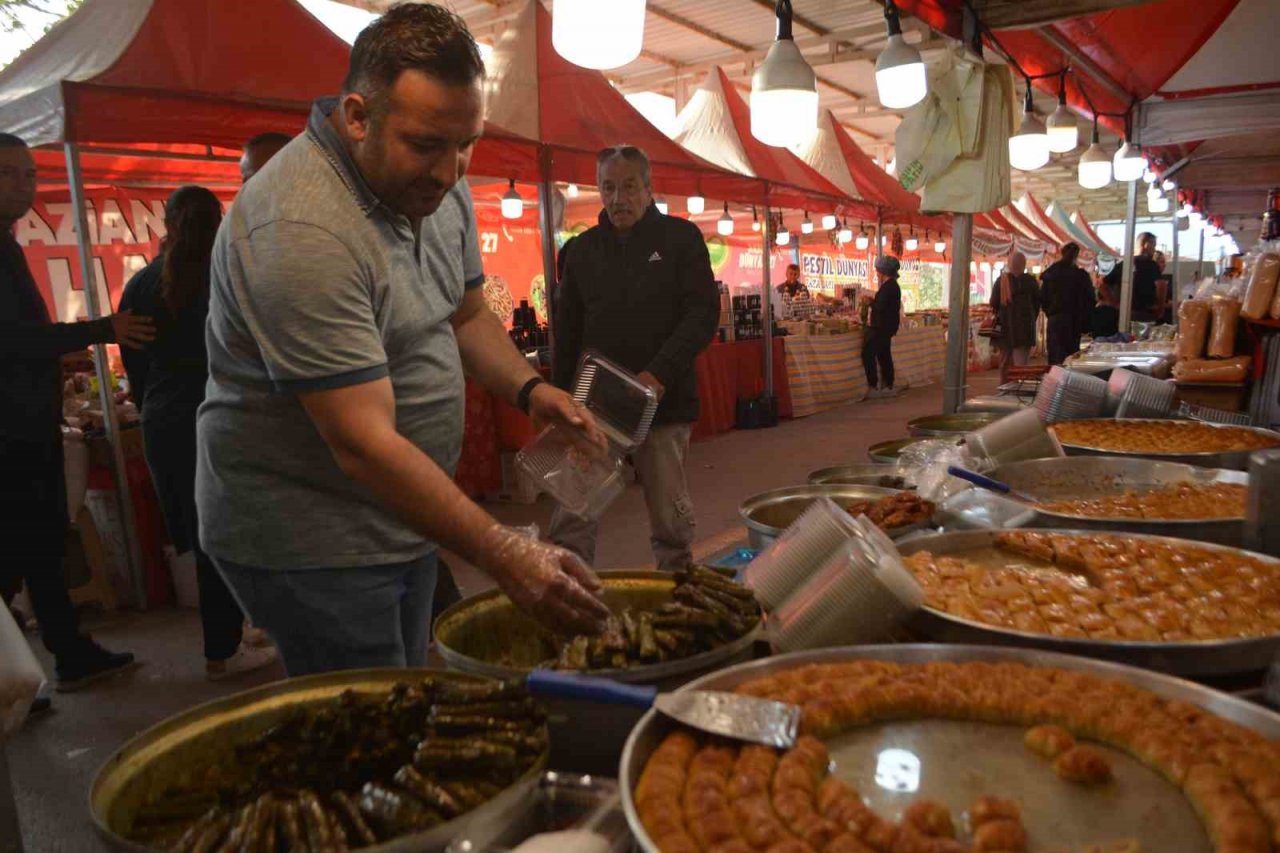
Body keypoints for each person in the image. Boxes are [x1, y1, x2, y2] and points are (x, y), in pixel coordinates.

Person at [197, 4, 610, 677]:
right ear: (358, 116)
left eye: (466, 143)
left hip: (401, 515)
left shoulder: (437, 184)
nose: (450, 172)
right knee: (369, 704)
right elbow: (362, 444)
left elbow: (466, 314)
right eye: (426, 145)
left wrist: (529, 390)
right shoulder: (299, 228)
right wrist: (503, 551)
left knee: (406, 676)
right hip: (315, 536)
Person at [0, 133, 152, 691]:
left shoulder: (8, 242)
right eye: (7, 174)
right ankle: (34, 666)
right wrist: (100, 329)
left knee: (35, 547)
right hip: (11, 432)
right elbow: (13, 339)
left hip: (27, 422)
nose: (23, 185)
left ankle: (57, 657)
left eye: (29, 174)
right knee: (24, 548)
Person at [119, 187, 278, 681]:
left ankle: (235, 633)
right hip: (221, 415)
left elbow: (133, 362)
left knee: (203, 535)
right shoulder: (231, 277)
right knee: (229, 533)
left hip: (164, 420)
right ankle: (223, 648)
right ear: (221, 221)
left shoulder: (141, 285)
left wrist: (151, 404)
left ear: (166, 223)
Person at [550, 145, 719, 571]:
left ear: (648, 188)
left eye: (628, 187)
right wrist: (561, 400)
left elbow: (703, 314)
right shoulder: (582, 251)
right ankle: (572, 593)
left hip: (663, 404)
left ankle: (680, 593)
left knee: (669, 521)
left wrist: (659, 374)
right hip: (597, 409)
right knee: (571, 517)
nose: (618, 198)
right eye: (608, 188)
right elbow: (567, 333)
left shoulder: (681, 240)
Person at [1039, 242, 1095, 366]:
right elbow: (1090, 300)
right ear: (1077, 256)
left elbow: (1043, 298)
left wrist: (1050, 313)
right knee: (1071, 360)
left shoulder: (1051, 274)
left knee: (1055, 358)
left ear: (1062, 253)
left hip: (1055, 320)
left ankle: (1054, 378)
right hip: (1073, 322)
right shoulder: (1081, 276)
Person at [990, 251, 1040, 383]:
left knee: (1005, 362)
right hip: (1025, 329)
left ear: (1009, 264)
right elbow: (1037, 304)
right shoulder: (1031, 281)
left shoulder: (1001, 281)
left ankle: (1005, 388)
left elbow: (993, 303)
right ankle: (1018, 388)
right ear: (1024, 264)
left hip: (1005, 328)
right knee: (1021, 364)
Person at [860, 255, 902, 400]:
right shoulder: (892, 285)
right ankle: (888, 385)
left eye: (878, 271)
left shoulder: (888, 287)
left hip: (882, 326)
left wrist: (869, 302)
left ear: (884, 272)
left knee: (868, 353)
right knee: (884, 355)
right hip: (887, 326)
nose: (877, 274)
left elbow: (880, 306)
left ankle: (874, 386)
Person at [1104, 231, 1160, 323]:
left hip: (1125, 312)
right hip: (1145, 313)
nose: (1154, 249)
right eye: (1153, 245)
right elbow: (1160, 287)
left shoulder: (1124, 264)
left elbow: (1103, 284)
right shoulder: (1152, 265)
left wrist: (1114, 304)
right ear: (1146, 244)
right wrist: (1160, 308)